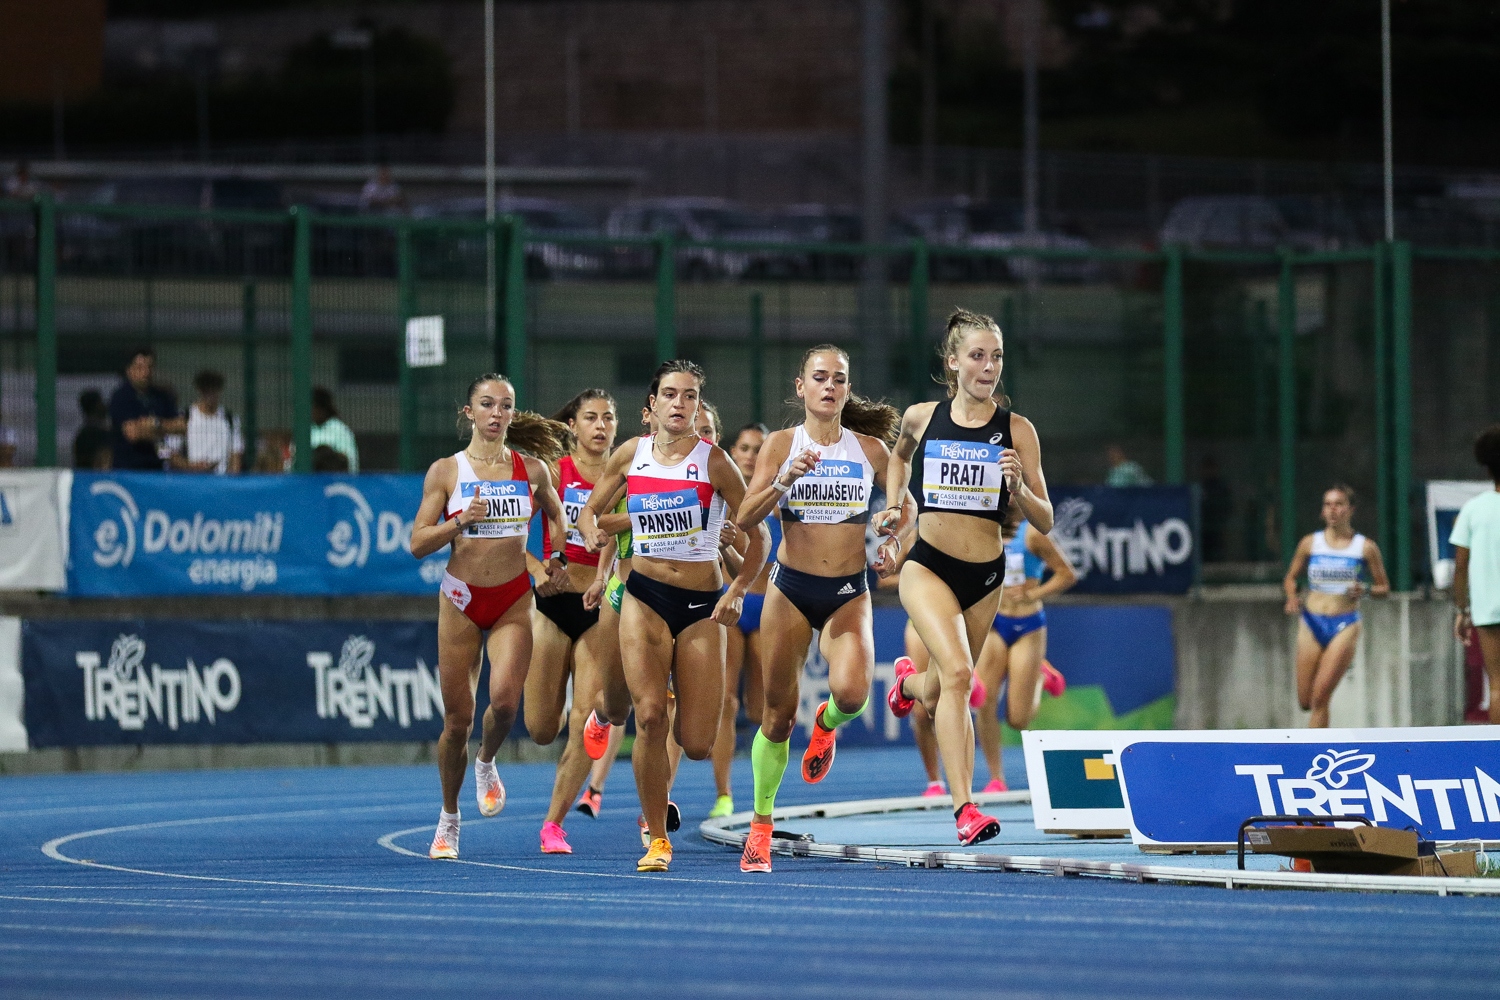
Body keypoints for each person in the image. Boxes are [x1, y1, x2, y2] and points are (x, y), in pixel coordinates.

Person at [578, 360, 767, 872]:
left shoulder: (715, 462)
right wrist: (592, 528)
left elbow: (760, 536)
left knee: (698, 742)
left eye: (689, 396)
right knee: (649, 716)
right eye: (670, 394)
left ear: (698, 406)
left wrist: (738, 589)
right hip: (643, 596)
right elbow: (590, 512)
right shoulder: (631, 454)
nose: (679, 403)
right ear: (652, 405)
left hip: (702, 605)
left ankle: (642, 752)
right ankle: (657, 838)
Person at [876, 309, 1053, 846]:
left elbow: (1046, 518)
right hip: (928, 565)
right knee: (958, 677)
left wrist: (1019, 489)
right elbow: (899, 459)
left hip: (985, 577)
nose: (989, 366)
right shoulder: (921, 417)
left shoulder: (1017, 430)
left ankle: (907, 684)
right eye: (977, 355)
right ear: (952, 362)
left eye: (996, 356)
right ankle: (966, 808)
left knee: (938, 688)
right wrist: (894, 504)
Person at [735, 345, 904, 872]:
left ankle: (827, 725)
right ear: (801, 386)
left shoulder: (870, 450)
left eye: (839, 379)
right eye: (820, 377)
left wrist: (895, 531)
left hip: (848, 593)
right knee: (778, 718)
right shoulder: (781, 444)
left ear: (848, 389)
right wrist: (784, 479)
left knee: (851, 694)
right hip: (789, 591)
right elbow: (745, 516)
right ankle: (760, 828)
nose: (829, 386)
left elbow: (909, 504)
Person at [409, 374, 569, 860]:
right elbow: (417, 543)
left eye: (505, 405)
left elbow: (557, 516)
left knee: (503, 704)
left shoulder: (532, 470)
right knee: (457, 721)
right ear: (469, 413)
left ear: (512, 414)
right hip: (460, 600)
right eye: (486, 404)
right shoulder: (447, 471)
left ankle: (486, 761)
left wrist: (556, 559)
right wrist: (460, 521)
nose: (496, 413)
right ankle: (448, 819)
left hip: (512, 601)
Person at [527, 389, 620, 855]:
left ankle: (553, 824)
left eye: (609, 417)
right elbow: (506, 534)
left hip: (599, 608)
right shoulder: (553, 473)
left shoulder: (625, 477)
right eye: (591, 418)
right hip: (551, 604)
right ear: (572, 426)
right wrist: (535, 569)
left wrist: (608, 577)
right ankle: (555, 706)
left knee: (587, 719)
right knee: (542, 728)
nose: (601, 426)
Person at [971, 512, 1076, 791]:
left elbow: (1067, 574)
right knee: (984, 701)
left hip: (1027, 625)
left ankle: (1041, 677)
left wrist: (1032, 594)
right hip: (993, 622)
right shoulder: (983, 529)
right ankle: (996, 778)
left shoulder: (1032, 534)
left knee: (1018, 720)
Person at [1282, 485, 1390, 728]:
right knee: (1305, 700)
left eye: (1339, 504)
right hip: (1311, 621)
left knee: (1320, 698)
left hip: (1344, 624)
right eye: (1327, 504)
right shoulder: (1310, 543)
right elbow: (1290, 577)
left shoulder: (1364, 547)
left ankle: (1315, 749)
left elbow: (1384, 588)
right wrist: (1291, 596)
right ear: (1322, 511)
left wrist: (1366, 590)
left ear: (1351, 510)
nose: (1332, 510)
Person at [710, 422, 772, 819]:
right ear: (733, 452)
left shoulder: (776, 498)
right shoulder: (717, 492)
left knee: (762, 710)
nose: (750, 456)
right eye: (744, 448)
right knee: (726, 701)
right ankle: (725, 794)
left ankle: (763, 798)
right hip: (728, 602)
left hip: (766, 607)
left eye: (758, 449)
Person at [1452, 426, 1500, 724]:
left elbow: (1460, 566)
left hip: (1488, 610)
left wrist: (1462, 610)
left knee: (1497, 685)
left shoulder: (1472, 509)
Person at [108, 347, 185, 471]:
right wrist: (162, 430)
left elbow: (181, 426)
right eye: (140, 368)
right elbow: (133, 434)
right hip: (127, 469)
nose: (146, 372)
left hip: (156, 469)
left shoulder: (162, 396)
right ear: (129, 370)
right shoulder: (121, 397)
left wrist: (155, 424)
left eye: (149, 367)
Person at [176, 370, 243, 474]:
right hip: (192, 478)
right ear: (200, 389)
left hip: (222, 479)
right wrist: (191, 466)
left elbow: (236, 455)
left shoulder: (230, 419)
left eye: (214, 388)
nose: (210, 393)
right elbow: (171, 453)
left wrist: (232, 477)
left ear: (220, 390)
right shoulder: (185, 416)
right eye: (206, 389)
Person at [311, 387, 359, 472]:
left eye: (312, 407)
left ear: (321, 409)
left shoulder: (340, 430)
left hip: (334, 478)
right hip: (307, 478)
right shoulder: (305, 430)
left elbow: (349, 464)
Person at [74, 390, 111, 470]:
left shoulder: (81, 435)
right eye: (101, 402)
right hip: (96, 476)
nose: (104, 406)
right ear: (97, 405)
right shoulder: (99, 434)